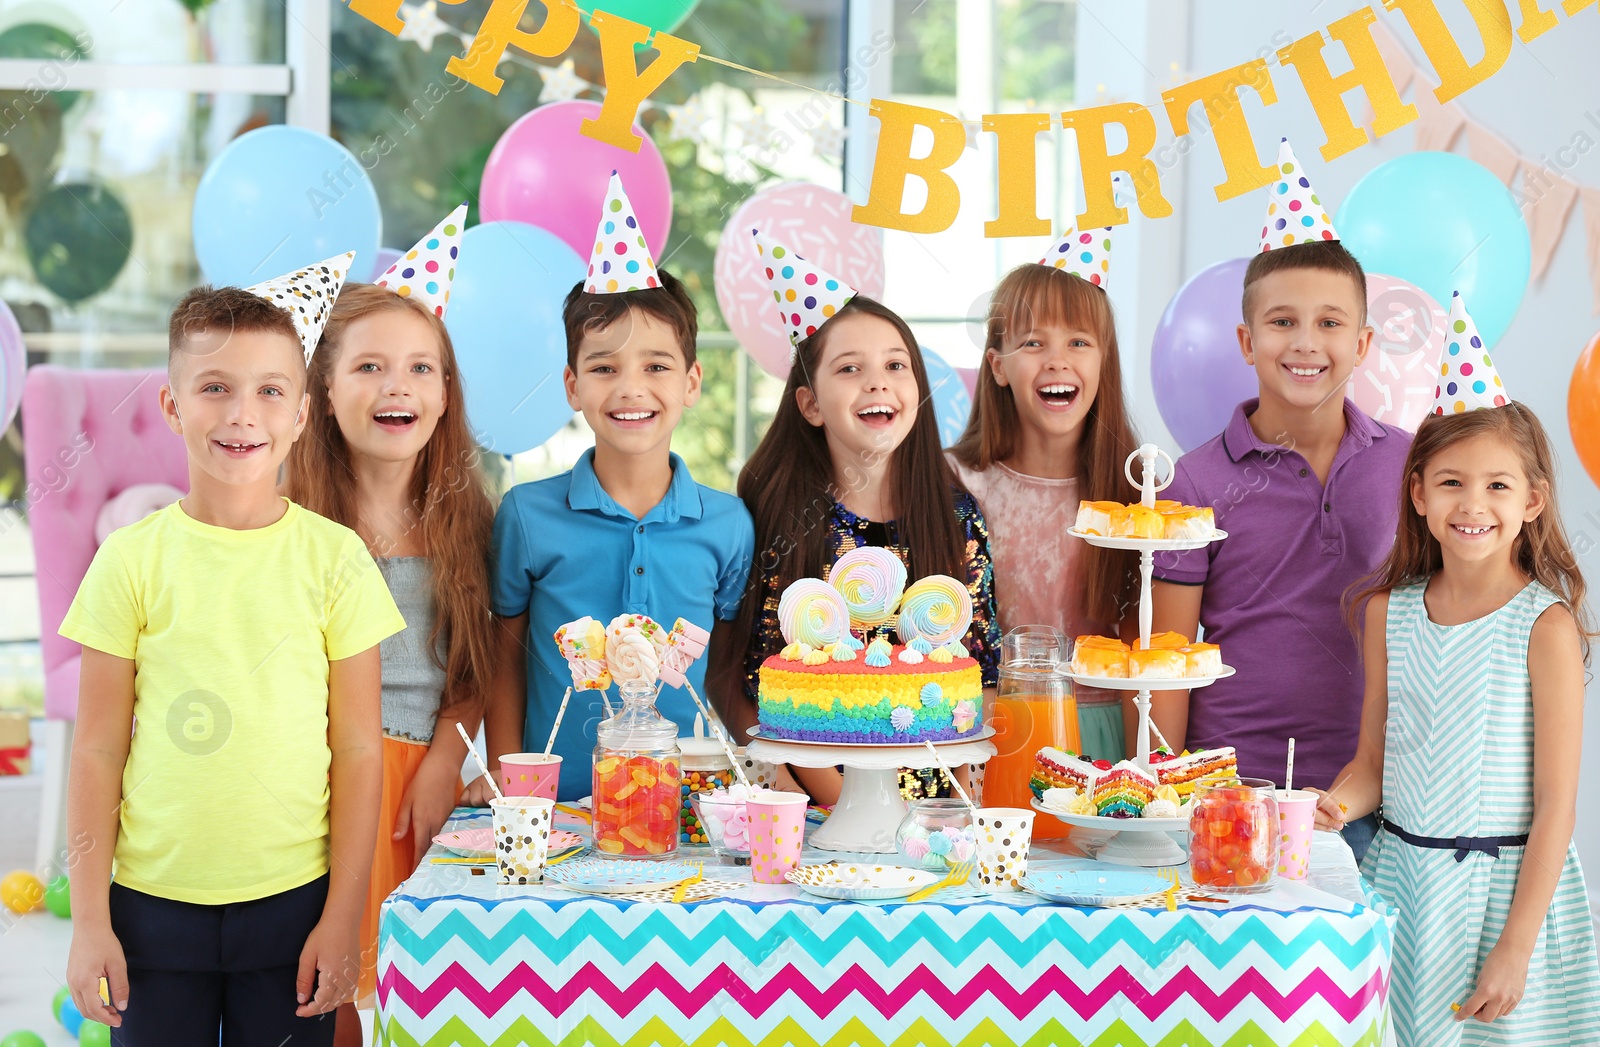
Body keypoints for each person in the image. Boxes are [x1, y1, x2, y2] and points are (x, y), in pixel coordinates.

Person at [61, 257, 406, 1046]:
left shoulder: (337, 559)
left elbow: (357, 749)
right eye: (215, 386)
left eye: (269, 390)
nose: (241, 412)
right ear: (171, 404)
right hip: (149, 912)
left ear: (301, 413)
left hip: (294, 908)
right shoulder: (129, 559)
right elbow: (96, 748)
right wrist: (89, 922)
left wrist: (343, 917)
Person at [1314, 302, 1600, 1043]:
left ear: (1533, 500)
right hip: (1400, 889)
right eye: (1450, 482)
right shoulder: (1389, 613)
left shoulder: (1546, 627)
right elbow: (1372, 763)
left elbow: (1556, 809)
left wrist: (1515, 946)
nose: (1473, 504)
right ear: (1418, 494)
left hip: (1504, 900)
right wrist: (1332, 809)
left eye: (1498, 486)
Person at [1147, 141, 1409, 859]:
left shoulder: (1413, 465)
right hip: (1230, 792)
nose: (1306, 342)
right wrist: (1171, 797)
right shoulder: (1195, 482)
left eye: (1329, 323)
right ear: (1246, 338)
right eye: (1283, 321)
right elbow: (1171, 660)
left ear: (1362, 343)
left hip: (1377, 796)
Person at [284, 207, 499, 1046]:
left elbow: (481, 661)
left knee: (423, 994)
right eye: (368, 366)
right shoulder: (290, 520)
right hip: (314, 787)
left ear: (446, 396)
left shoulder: (471, 521)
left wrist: (448, 757)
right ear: (324, 391)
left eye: (421, 368)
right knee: (323, 993)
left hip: (421, 788)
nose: (396, 386)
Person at [468, 175, 754, 803]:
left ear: (692, 381)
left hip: (689, 803)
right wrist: (511, 778)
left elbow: (726, 673)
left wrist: (752, 769)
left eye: (656, 366)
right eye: (604, 368)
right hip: (560, 799)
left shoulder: (728, 524)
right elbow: (505, 658)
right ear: (573, 385)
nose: (630, 388)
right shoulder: (527, 515)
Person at [724, 230, 1000, 804]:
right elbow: (750, 683)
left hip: (939, 811)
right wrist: (838, 802)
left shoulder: (956, 520)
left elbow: (981, 677)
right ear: (811, 404)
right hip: (812, 806)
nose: (878, 380)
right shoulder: (778, 518)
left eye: (896, 365)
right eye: (850, 369)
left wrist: (955, 806)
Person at [949, 229, 1140, 761]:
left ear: (1105, 361)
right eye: (1033, 342)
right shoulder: (956, 482)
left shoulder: (1136, 491)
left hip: (1105, 741)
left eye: (1079, 342)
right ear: (998, 367)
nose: (1057, 360)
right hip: (989, 732)